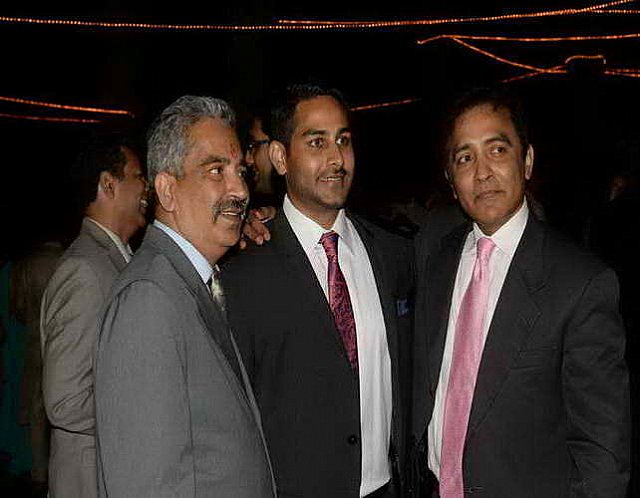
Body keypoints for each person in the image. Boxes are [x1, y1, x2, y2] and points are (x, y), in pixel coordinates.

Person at [411, 87, 631, 497]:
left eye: (496, 150)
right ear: (451, 181)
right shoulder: (435, 259)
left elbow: (603, 448)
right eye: (465, 158)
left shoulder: (580, 282)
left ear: (526, 160)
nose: (482, 172)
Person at [223, 83, 414, 497]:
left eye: (343, 140)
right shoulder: (243, 272)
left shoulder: (393, 254)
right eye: (316, 142)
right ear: (280, 157)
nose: (336, 158)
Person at [94, 95, 276, 497]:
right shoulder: (148, 300)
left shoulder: (191, 281)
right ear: (167, 190)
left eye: (240, 171)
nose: (240, 189)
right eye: (216, 171)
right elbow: (147, 486)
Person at [40, 134, 147, 498]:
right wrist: (145, 411)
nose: (146, 187)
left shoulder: (118, 259)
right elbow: (65, 401)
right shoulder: (85, 270)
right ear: (108, 184)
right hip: (91, 480)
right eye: (138, 176)